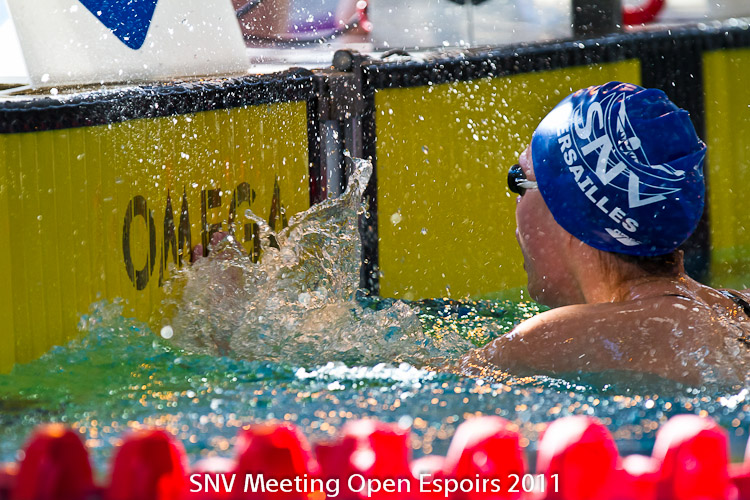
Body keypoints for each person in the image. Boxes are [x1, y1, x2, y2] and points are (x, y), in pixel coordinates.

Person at [461, 81, 750, 387]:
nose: (517, 204)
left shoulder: (544, 342)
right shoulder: (737, 312)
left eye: (518, 180)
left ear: (571, 209)